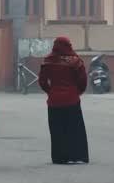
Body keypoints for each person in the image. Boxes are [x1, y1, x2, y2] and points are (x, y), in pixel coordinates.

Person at [38, 36, 89, 165]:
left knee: (57, 130)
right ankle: (77, 155)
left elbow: (42, 81)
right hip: (72, 99)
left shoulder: (48, 61)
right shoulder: (75, 61)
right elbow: (83, 80)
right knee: (75, 129)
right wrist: (77, 92)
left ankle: (59, 157)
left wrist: (51, 91)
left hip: (54, 101)